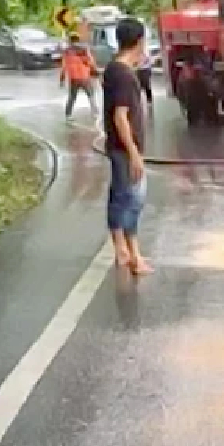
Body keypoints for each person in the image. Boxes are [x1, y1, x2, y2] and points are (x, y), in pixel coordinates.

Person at [103, 18, 152, 275]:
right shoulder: (123, 75)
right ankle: (134, 255)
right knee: (133, 199)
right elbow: (120, 117)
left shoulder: (113, 69)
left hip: (117, 146)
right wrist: (134, 154)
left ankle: (121, 249)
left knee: (119, 197)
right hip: (124, 149)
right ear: (140, 42)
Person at [61, 34, 99, 119]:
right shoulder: (84, 49)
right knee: (91, 95)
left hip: (74, 78)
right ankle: (95, 113)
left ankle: (68, 115)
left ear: (70, 40)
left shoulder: (67, 51)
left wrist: (62, 78)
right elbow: (91, 60)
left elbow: (64, 66)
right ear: (78, 40)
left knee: (72, 97)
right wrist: (95, 71)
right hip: (84, 77)